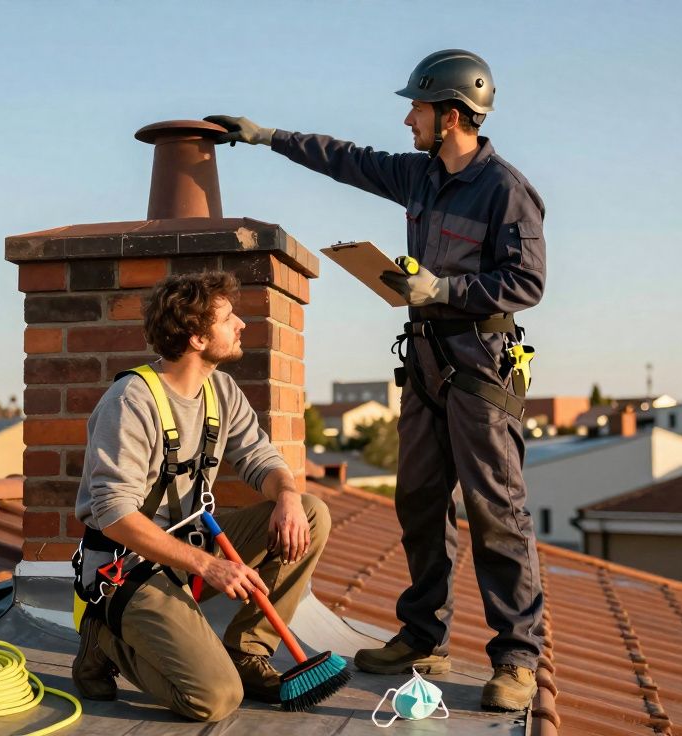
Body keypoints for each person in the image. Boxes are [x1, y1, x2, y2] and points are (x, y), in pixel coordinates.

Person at [205, 48, 546, 712]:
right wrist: (265, 135)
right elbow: (343, 157)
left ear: (450, 115)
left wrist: (443, 286)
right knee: (419, 502)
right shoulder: (418, 176)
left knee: (495, 511)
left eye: (415, 107)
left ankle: (517, 659)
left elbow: (528, 282)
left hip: (479, 366)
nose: (407, 120)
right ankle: (423, 636)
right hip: (424, 365)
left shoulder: (505, 188)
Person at [70, 270, 332, 721]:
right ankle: (104, 639)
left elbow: (261, 460)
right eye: (229, 318)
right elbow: (113, 515)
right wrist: (208, 565)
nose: (241, 325)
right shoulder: (130, 400)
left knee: (310, 513)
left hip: (188, 550)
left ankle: (247, 653)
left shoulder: (221, 390)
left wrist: (287, 495)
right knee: (213, 700)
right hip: (125, 568)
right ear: (195, 337)